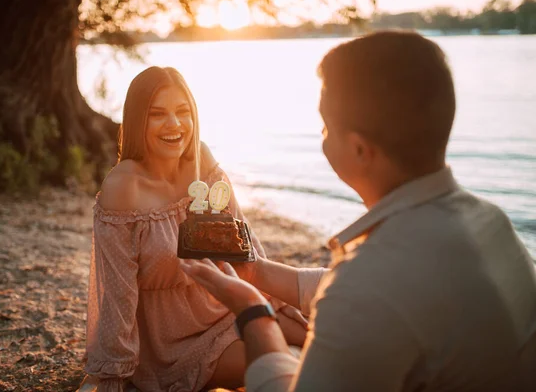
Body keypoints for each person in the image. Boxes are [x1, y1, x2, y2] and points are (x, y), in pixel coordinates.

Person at [180, 31, 536, 392]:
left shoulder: (369, 280)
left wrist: (254, 313)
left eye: (325, 126)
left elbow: (367, 294)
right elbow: (387, 294)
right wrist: (256, 273)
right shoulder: (491, 222)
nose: (321, 135)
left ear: (359, 150)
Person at [81, 66, 307, 392]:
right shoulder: (123, 187)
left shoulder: (201, 158)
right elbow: (118, 295)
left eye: (182, 111)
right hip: (173, 342)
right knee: (281, 365)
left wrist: (276, 303)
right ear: (136, 121)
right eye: (157, 114)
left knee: (322, 339)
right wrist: (113, 376)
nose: (174, 124)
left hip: (225, 305)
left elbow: (244, 242)